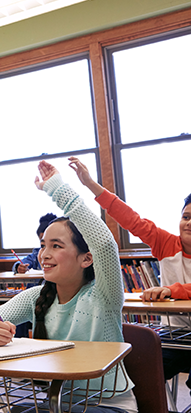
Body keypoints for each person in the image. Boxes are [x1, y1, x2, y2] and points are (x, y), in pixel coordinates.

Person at [0, 160, 136, 413]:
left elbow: (104, 243)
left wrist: (57, 188)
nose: (44, 254)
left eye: (56, 246)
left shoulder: (103, 295)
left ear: (86, 258)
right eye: (43, 245)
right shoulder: (37, 296)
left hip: (109, 406)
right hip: (59, 404)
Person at [70, 155, 191, 392]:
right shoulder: (166, 243)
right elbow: (130, 219)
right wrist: (90, 184)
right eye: (186, 217)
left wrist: (170, 290)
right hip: (172, 336)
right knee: (138, 371)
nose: (189, 223)